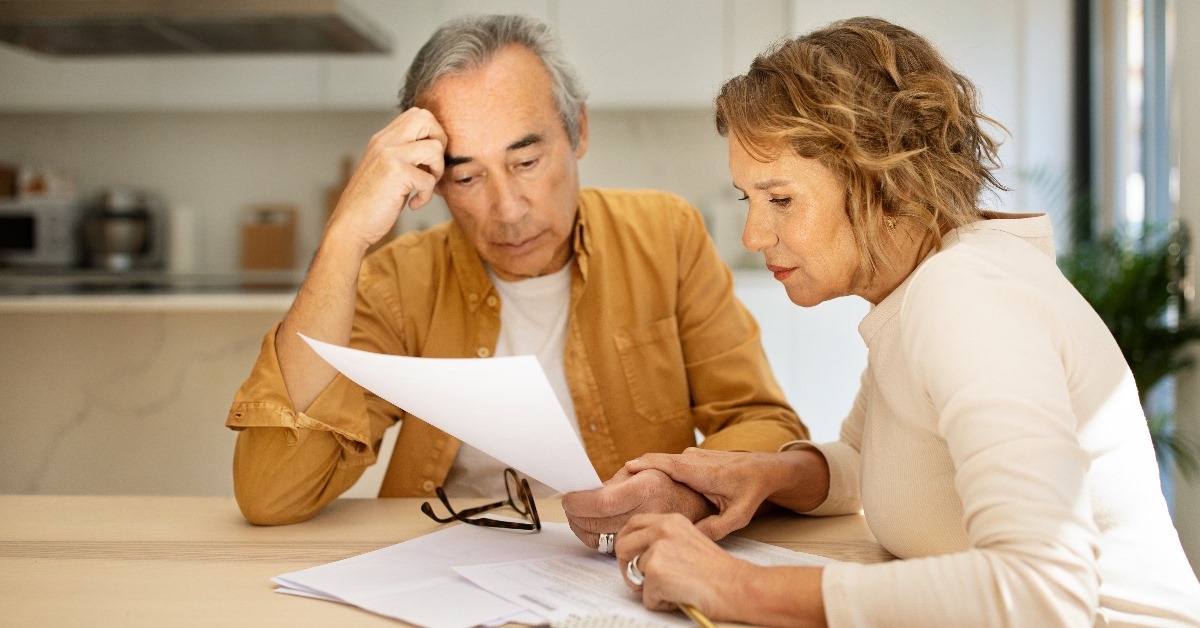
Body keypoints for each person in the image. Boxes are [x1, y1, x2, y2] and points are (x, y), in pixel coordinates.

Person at [605, 16, 1200, 627]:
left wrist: (739, 587)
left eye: (780, 199)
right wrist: (762, 474)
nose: (755, 234)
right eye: (747, 199)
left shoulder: (965, 298)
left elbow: (1045, 587)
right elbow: (878, 465)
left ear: (888, 182)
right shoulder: (922, 289)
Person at [225, 14, 806, 529]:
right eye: (467, 177)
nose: (507, 210)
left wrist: (680, 491)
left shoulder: (665, 236)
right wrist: (345, 235)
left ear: (577, 131)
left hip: (619, 570)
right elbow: (272, 494)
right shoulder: (399, 283)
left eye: (526, 161)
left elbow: (762, 424)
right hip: (447, 569)